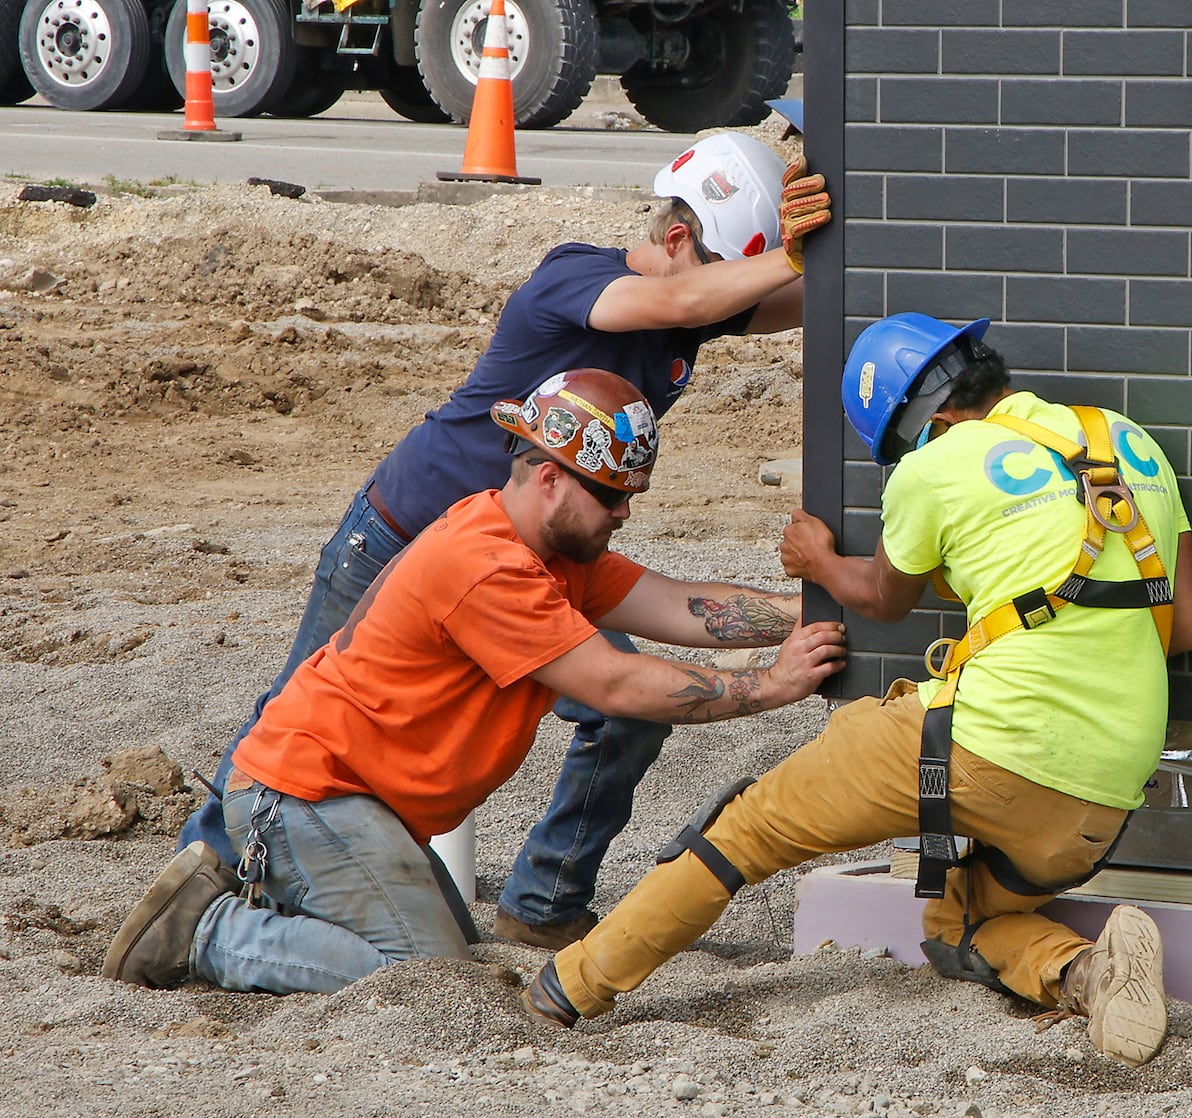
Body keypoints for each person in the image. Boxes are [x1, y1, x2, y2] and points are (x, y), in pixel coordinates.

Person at [175, 130, 833, 950]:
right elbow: (685, 302)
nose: (735, 302)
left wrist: (854, 242)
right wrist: (794, 260)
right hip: (407, 533)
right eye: (729, 274)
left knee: (627, 713)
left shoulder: (697, 304)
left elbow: (775, 296)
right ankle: (200, 876)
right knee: (301, 714)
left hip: (532, 553)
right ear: (673, 240)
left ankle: (543, 902)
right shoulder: (577, 278)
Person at [521, 313, 1192, 1068]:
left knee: (747, 830)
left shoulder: (936, 467)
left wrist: (817, 560)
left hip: (987, 746)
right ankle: (1086, 974)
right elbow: (1183, 629)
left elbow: (882, 597)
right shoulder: (1123, 440)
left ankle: (568, 986)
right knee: (958, 924)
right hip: (1100, 805)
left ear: (935, 422)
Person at [102, 370, 847, 995]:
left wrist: (803, 610)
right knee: (428, 978)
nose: (623, 512)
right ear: (551, 479)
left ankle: (265, 898)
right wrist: (771, 688)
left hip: (355, 801)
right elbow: (616, 685)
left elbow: (675, 605)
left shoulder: (549, 548)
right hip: (307, 795)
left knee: (458, 960)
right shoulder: (487, 566)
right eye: (612, 495)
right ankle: (204, 931)